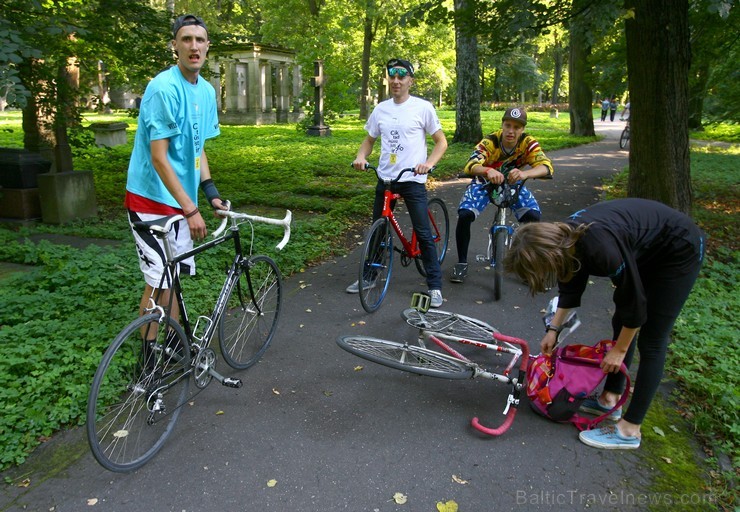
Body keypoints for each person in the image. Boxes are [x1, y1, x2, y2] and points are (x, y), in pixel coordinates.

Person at [504, 198, 705, 450]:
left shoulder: (599, 248)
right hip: (649, 247)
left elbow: (634, 303)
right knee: (620, 320)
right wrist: (553, 330)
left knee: (652, 338)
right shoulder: (566, 241)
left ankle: (630, 430)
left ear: (550, 255)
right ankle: (610, 399)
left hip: (678, 248)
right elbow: (571, 284)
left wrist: (619, 351)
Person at [125, 14, 226, 322]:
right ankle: (148, 363)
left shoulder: (206, 91)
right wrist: (190, 209)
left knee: (173, 280)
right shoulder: (163, 88)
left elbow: (198, 147)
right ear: (175, 46)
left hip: (181, 201)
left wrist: (209, 193)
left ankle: (174, 347)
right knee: (157, 284)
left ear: (208, 47)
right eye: (186, 40)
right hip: (150, 200)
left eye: (199, 40)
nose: (193, 46)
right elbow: (159, 157)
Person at [348, 58, 448, 307]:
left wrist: (429, 164)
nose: (396, 81)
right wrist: (361, 156)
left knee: (423, 232)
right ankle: (370, 275)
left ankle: (435, 285)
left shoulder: (422, 107)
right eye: (392, 76)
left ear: (410, 81)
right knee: (378, 229)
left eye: (401, 76)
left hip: (412, 178)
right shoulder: (381, 109)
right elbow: (369, 140)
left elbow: (441, 142)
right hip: (386, 178)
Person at [449, 107, 553, 284]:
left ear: (523, 129)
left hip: (513, 181)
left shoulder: (528, 143)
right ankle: (462, 262)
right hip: (485, 180)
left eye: (517, 127)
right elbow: (471, 165)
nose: (511, 131)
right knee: (465, 214)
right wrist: (488, 170)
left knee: (533, 217)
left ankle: (528, 264)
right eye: (508, 125)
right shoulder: (491, 141)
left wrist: (525, 174)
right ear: (502, 125)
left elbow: (546, 166)